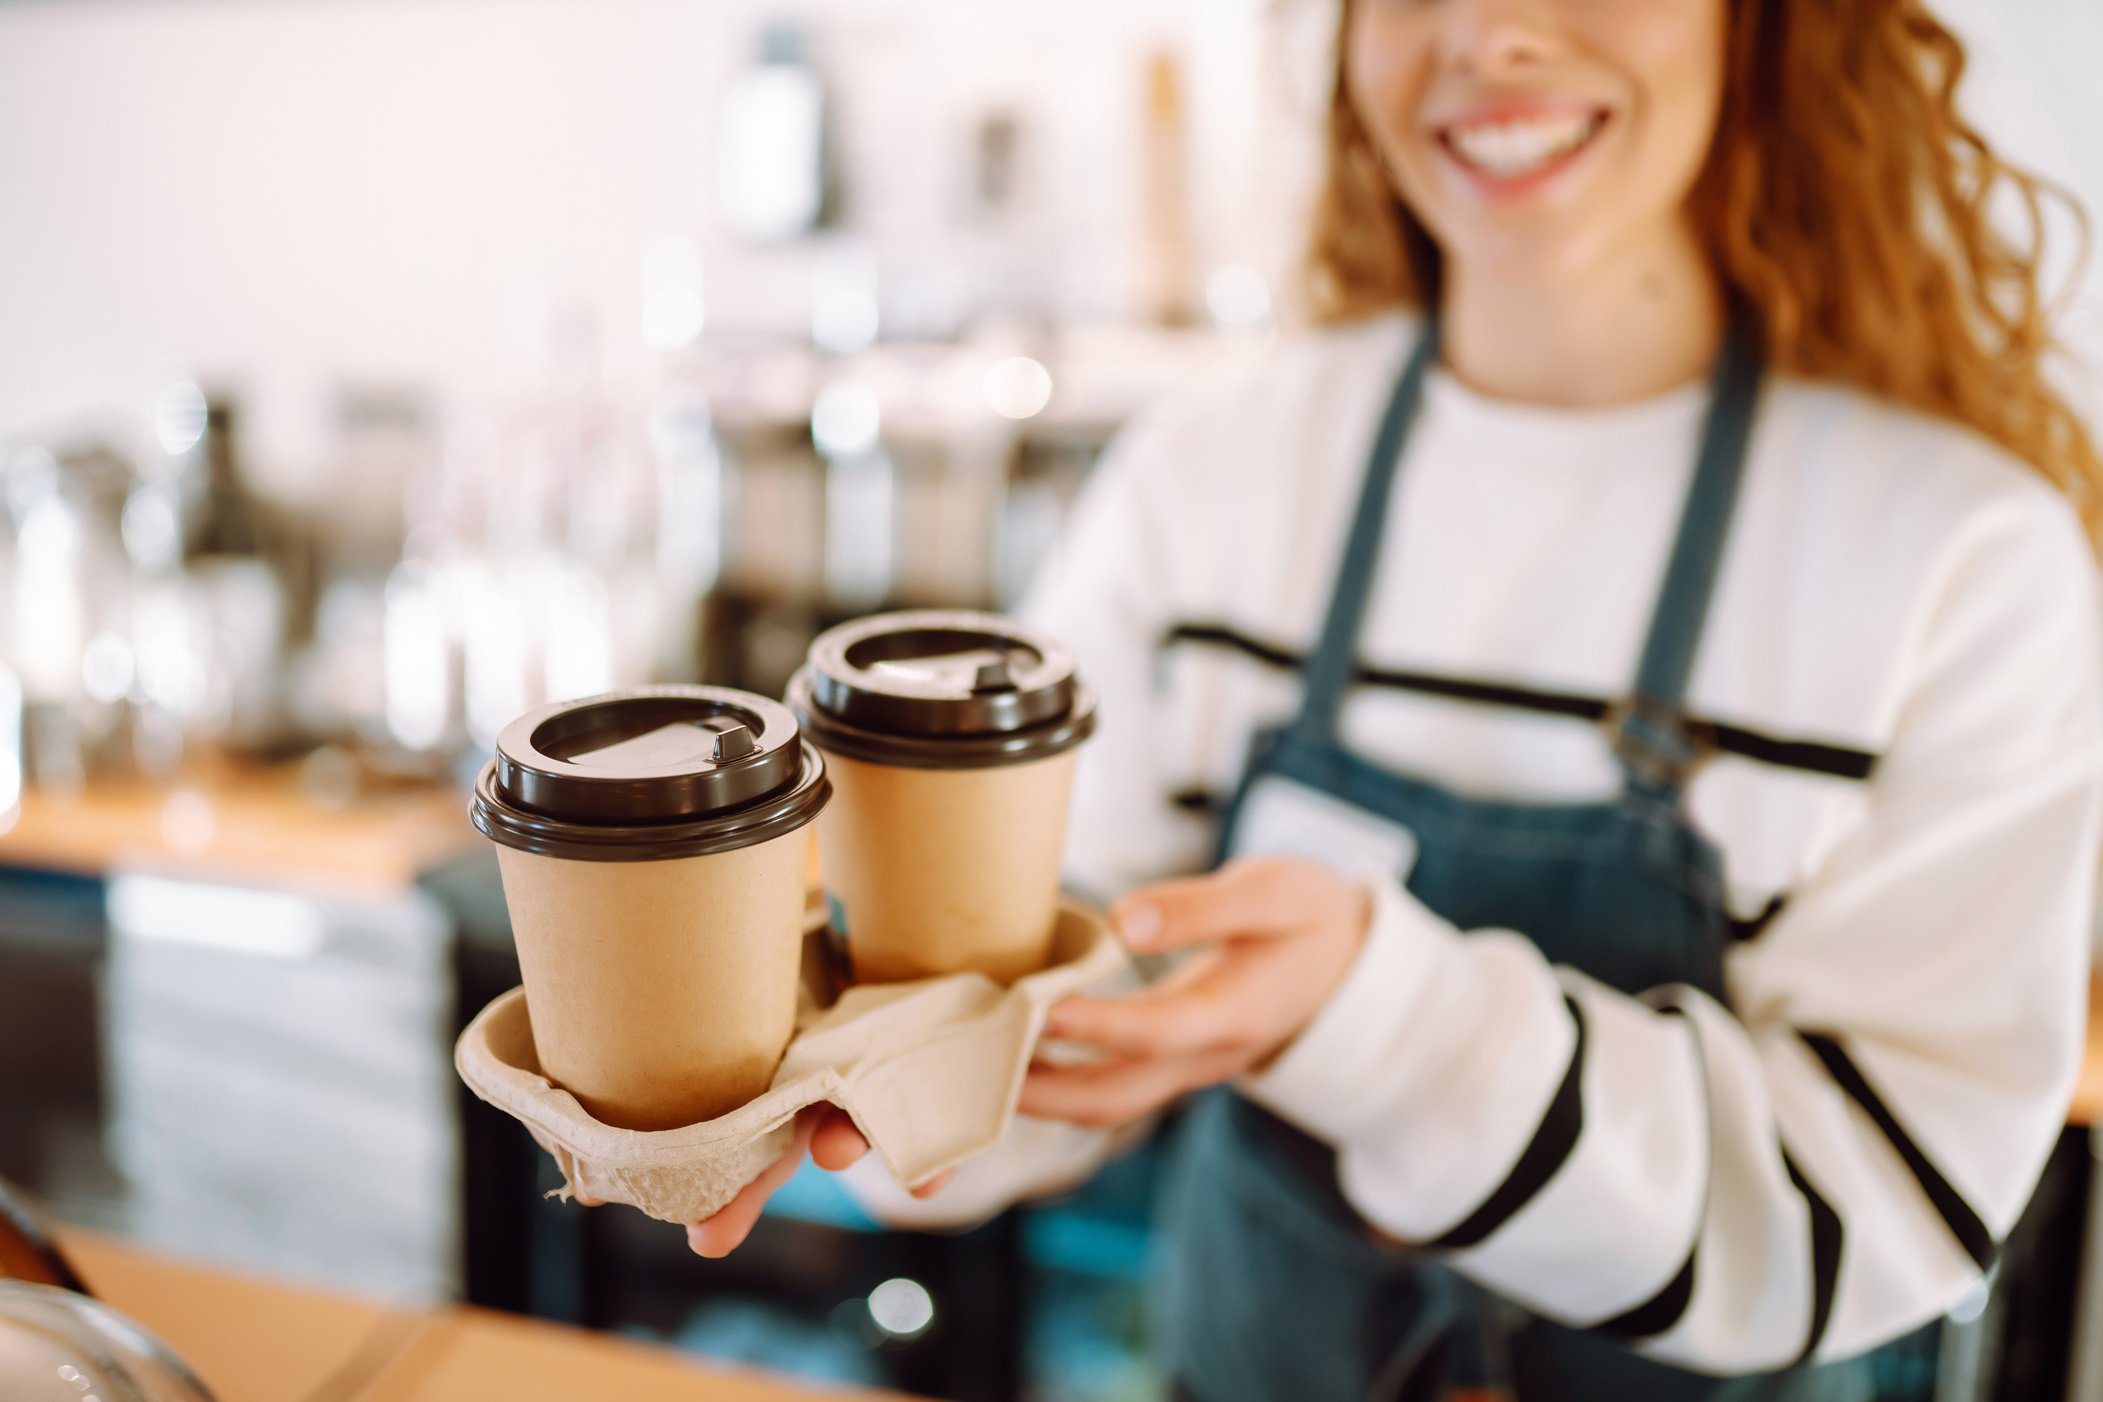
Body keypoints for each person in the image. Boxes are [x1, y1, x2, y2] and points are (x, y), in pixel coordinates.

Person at [688, 1, 2103, 1396]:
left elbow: (1882, 1198)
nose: (1488, 36)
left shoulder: (1963, 561)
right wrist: (880, 1080)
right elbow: (1055, 957)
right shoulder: (1217, 475)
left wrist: (1374, 1015)